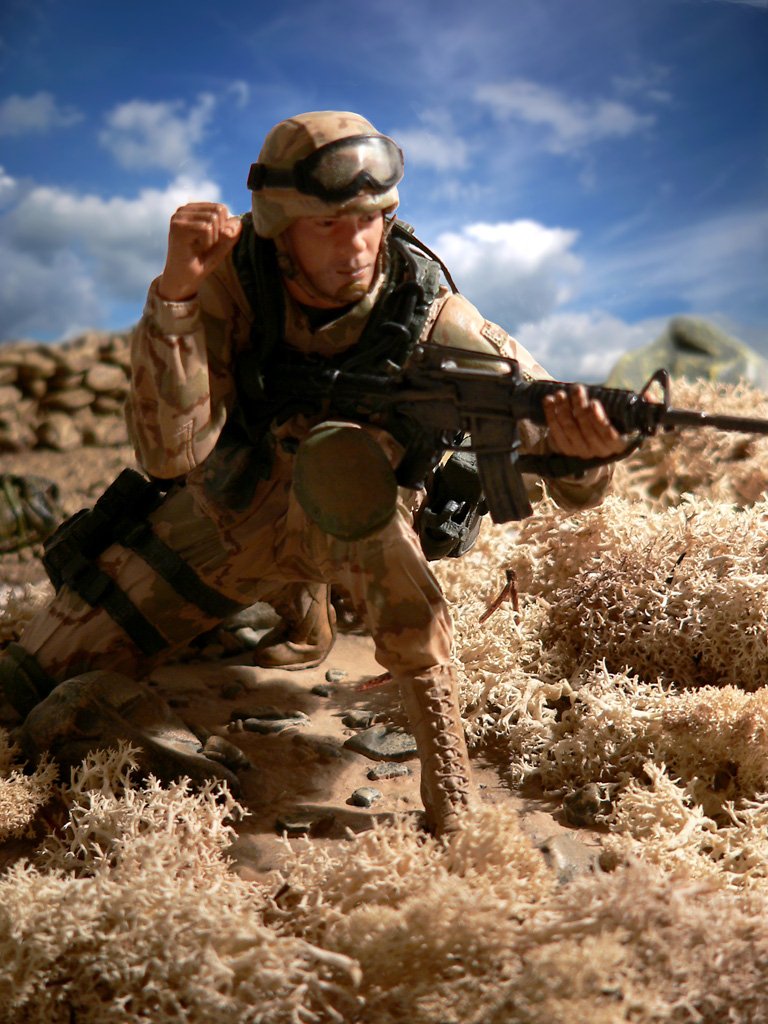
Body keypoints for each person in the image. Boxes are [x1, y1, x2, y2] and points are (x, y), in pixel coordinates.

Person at [0, 111, 624, 836]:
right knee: (25, 685)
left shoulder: (438, 319)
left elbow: (567, 471)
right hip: (232, 516)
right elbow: (169, 453)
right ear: (279, 225)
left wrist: (586, 456)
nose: (356, 244)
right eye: (328, 225)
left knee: (384, 551)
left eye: (372, 219)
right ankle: (292, 612)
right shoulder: (233, 284)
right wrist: (174, 300)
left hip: (361, 517)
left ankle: (449, 788)